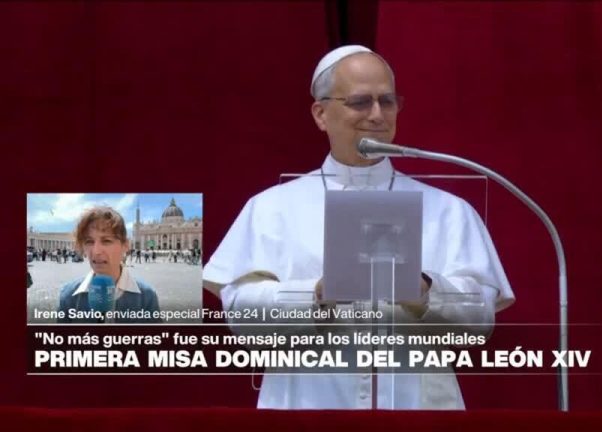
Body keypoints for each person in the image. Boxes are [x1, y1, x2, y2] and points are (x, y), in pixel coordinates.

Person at [203, 45, 514, 409]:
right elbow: (242, 315)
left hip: (418, 412)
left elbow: (479, 322)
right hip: (305, 408)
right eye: (360, 102)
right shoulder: (271, 208)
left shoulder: (448, 210)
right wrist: (316, 295)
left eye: (388, 101)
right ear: (321, 114)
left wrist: (423, 290)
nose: (377, 115)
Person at [58, 206, 161, 323]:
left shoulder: (147, 297)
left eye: (106, 241)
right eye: (89, 241)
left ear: (125, 245)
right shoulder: (68, 296)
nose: (96, 251)